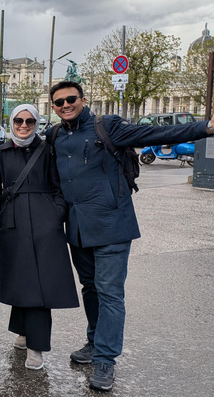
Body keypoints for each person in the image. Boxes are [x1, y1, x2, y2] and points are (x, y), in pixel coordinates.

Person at [47, 80, 214, 391]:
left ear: (83, 99)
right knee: (90, 289)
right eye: (59, 102)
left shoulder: (107, 126)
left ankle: (105, 360)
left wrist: (205, 127)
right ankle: (94, 343)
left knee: (109, 293)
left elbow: (156, 134)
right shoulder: (55, 134)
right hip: (78, 228)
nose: (66, 105)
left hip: (112, 225)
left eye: (71, 99)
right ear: (53, 107)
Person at [0, 104, 79, 370]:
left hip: (44, 225)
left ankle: (36, 346)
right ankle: (24, 332)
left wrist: (56, 215)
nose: (24, 125)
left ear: (37, 123)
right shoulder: (2, 153)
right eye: (19, 121)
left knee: (41, 285)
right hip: (13, 224)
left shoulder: (47, 150)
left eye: (29, 121)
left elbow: (58, 186)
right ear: (12, 122)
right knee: (21, 280)